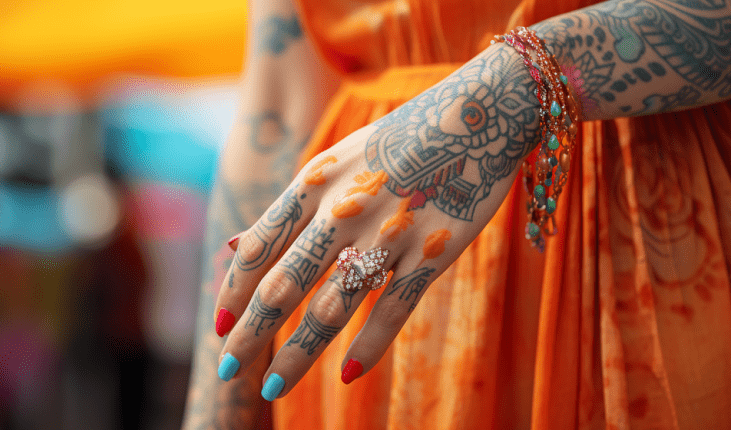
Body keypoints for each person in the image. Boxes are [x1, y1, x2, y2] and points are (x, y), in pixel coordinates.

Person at [182, 0, 731, 428]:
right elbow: (277, 111)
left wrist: (512, 87)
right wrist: (215, 411)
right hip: (368, 270)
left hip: (641, 242)